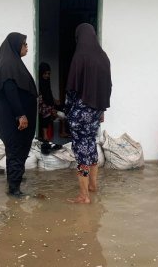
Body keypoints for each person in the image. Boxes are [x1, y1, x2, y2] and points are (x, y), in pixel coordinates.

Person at [65, 23, 112, 204]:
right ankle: (92, 186)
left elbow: (71, 89)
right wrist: (101, 109)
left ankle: (83, 195)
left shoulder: (80, 57)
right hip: (95, 114)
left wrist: (68, 110)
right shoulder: (103, 57)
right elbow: (108, 87)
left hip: (79, 114)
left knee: (81, 152)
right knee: (91, 147)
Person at [0, 32, 37, 197]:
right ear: (15, 45)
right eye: (24, 44)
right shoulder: (9, 66)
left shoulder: (14, 64)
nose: (26, 47)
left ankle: (14, 182)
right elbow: (11, 92)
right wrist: (21, 115)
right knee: (16, 151)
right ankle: (14, 189)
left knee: (17, 151)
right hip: (14, 121)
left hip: (18, 121)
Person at [38, 62, 69, 142]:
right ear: (41, 73)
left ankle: (62, 132)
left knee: (63, 112)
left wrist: (55, 101)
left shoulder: (47, 82)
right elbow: (42, 99)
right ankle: (45, 135)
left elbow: (49, 94)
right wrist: (51, 109)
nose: (47, 76)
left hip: (50, 104)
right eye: (45, 74)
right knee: (46, 114)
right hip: (44, 106)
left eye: (48, 74)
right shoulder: (39, 83)